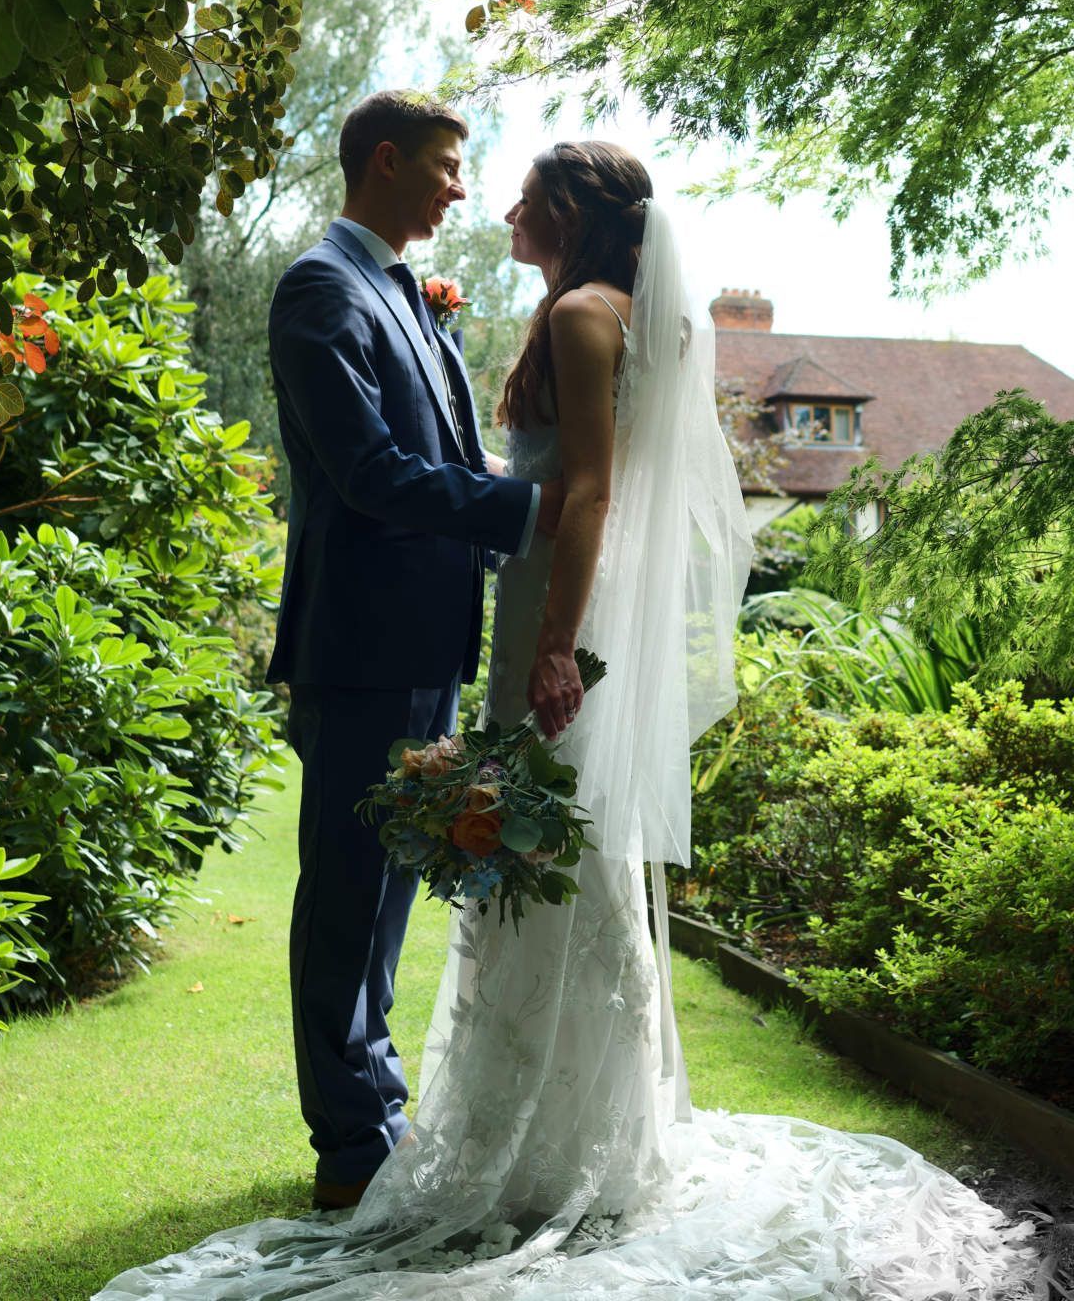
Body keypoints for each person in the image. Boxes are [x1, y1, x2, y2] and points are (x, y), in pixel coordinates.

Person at [96, 141, 1036, 1300]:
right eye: (456, 172)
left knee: (540, 859)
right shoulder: (482, 299)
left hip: (546, 616)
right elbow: (468, 473)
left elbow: (584, 491)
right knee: (500, 862)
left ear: (575, 211)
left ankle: (541, 1138)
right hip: (478, 615)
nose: (489, 206)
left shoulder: (586, 313)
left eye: (523, 197)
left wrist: (551, 643)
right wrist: (524, 514)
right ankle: (489, 1132)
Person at [261, 90, 563, 1213]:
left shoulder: (406, 293)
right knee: (347, 890)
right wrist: (528, 513)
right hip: (362, 643)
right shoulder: (318, 289)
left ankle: (375, 1108)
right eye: (441, 166)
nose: (456, 188)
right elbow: (369, 472)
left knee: (391, 890)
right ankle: (349, 1145)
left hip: (431, 639)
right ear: (383, 162)